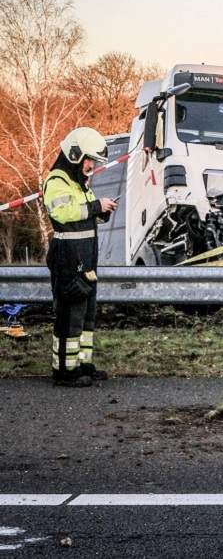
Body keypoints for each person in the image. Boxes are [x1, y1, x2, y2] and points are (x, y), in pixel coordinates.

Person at [42, 127, 117, 387]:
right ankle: (65, 371)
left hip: (85, 257)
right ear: (74, 155)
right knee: (68, 315)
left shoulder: (78, 183)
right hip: (67, 257)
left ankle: (83, 364)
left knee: (86, 315)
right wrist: (96, 206)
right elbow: (63, 213)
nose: (90, 165)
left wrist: (102, 212)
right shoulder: (56, 180)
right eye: (88, 159)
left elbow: (86, 213)